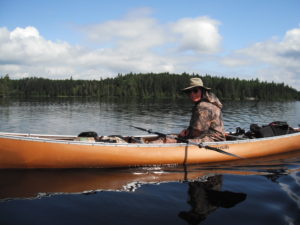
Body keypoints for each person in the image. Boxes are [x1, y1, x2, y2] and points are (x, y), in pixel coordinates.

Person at [178, 77, 225, 143]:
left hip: (213, 140)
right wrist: (187, 131)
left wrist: (185, 134)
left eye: (195, 90)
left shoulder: (203, 106)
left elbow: (198, 131)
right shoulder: (205, 103)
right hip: (208, 136)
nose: (192, 94)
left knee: (176, 140)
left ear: (202, 91)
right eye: (189, 92)